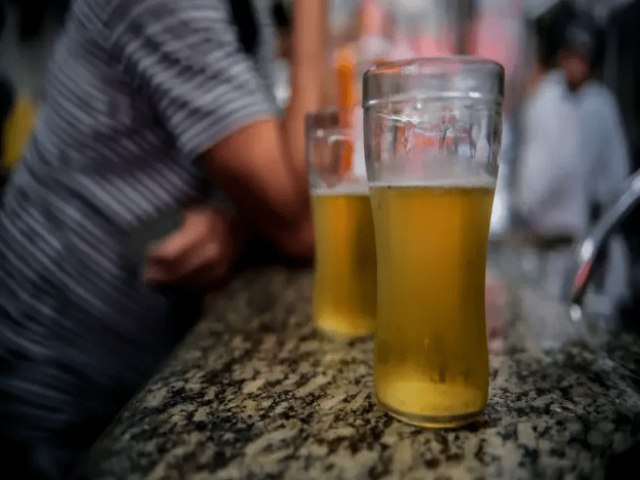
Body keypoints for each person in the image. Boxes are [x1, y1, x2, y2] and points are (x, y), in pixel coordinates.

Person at [0, 0, 326, 478]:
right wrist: (312, 12)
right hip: (57, 377)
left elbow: (269, 175)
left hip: (133, 362)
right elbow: (301, 224)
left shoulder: (242, 8)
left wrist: (239, 220)